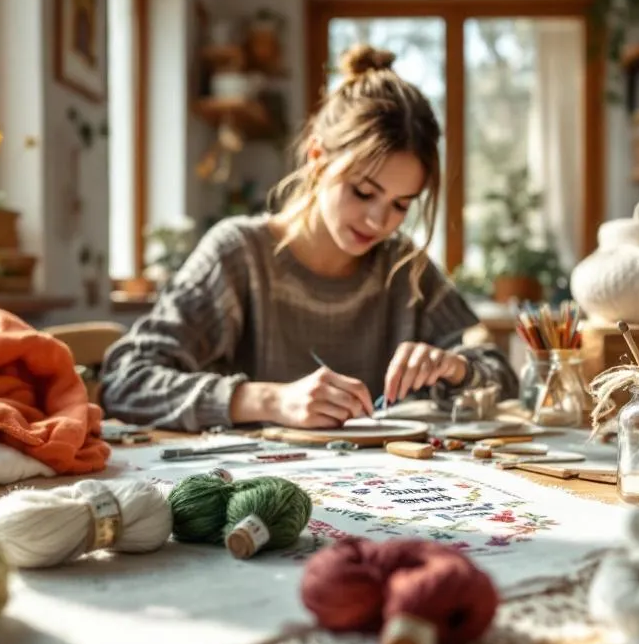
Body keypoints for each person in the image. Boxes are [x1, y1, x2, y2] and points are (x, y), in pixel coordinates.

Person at [101, 44, 517, 432]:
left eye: (401, 204)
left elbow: (502, 377)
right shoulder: (239, 255)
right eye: (363, 192)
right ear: (318, 159)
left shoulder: (403, 266)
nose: (379, 221)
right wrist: (267, 400)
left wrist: (456, 368)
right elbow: (125, 381)